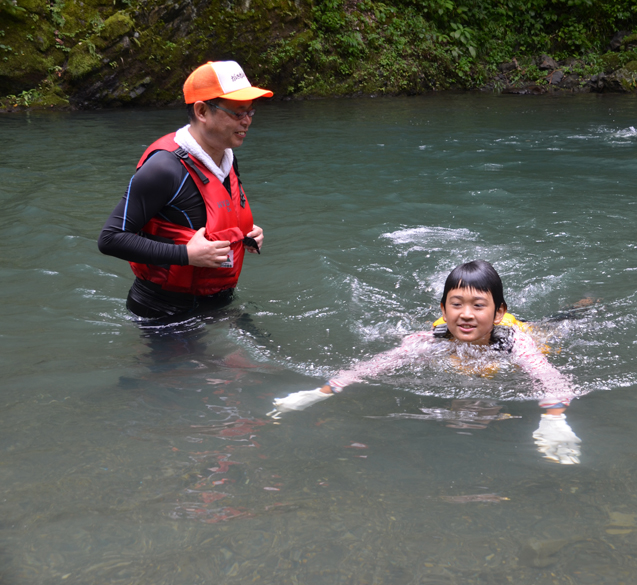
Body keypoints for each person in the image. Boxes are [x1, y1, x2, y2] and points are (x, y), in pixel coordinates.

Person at [270, 260, 582, 464]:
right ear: (444, 311)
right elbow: (377, 364)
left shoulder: (515, 341)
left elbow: (550, 378)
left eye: (478, 305)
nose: (466, 314)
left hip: (527, 330)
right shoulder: (432, 339)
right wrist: (322, 391)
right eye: (456, 304)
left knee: (559, 326)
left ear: (498, 312)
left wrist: (554, 420)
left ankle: (580, 306)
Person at [98, 61, 272, 320]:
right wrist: (186, 255)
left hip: (218, 300)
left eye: (250, 112)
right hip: (163, 312)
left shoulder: (226, 157)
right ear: (202, 111)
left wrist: (246, 233)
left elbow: (212, 211)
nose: (247, 121)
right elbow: (110, 239)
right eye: (238, 112)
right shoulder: (164, 168)